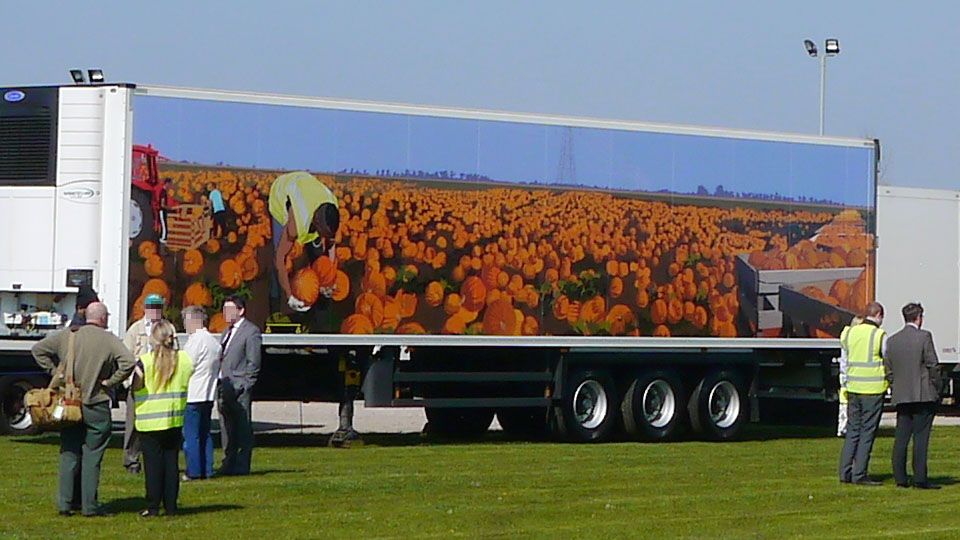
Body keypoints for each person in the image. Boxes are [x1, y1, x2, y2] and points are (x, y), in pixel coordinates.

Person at [31, 302, 136, 517]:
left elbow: (38, 350)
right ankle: (90, 505)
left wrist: (55, 373)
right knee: (92, 454)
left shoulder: (67, 336)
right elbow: (128, 362)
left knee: (69, 451)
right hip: (96, 403)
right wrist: (110, 383)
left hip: (69, 403)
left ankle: (65, 504)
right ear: (104, 318)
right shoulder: (109, 339)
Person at [132, 320, 193, 517]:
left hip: (149, 421)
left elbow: (136, 386)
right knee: (171, 464)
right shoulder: (184, 360)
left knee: (153, 467)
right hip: (174, 419)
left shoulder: (145, 361)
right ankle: (171, 506)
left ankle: (153, 506)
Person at [885, 302, 942, 489]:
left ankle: (900, 477)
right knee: (920, 438)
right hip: (923, 394)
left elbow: (889, 370)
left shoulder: (892, 340)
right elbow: (932, 364)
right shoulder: (924, 337)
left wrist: (895, 386)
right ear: (919, 318)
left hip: (902, 394)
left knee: (901, 437)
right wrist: (937, 386)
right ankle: (919, 478)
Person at [268, 171, 339, 312]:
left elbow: (331, 246)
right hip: (280, 194)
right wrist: (290, 296)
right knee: (278, 254)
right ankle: (275, 301)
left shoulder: (332, 206)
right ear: (317, 222)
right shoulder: (297, 222)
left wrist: (328, 278)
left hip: (306, 187)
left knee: (316, 253)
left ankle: (317, 302)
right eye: (322, 233)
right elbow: (280, 258)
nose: (325, 236)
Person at [838, 302, 888, 486]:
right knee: (867, 433)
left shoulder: (849, 333)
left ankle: (845, 472)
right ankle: (860, 474)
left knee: (852, 431)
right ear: (878, 315)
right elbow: (886, 357)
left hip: (853, 388)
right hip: (873, 390)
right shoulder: (878, 335)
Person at [217, 295, 261, 476]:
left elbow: (254, 363)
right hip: (224, 386)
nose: (226, 313)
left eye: (230, 309)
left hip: (239, 388)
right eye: (224, 309)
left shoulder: (251, 332)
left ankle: (242, 465)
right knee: (226, 427)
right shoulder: (226, 331)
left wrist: (244, 385)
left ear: (241, 310)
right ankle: (228, 462)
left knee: (242, 427)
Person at [123, 294, 165, 473]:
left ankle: (153, 459)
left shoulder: (167, 328)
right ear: (145, 308)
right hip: (138, 383)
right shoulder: (135, 329)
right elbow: (125, 357)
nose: (154, 310)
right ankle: (131, 460)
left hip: (159, 384)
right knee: (133, 424)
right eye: (151, 307)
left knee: (156, 424)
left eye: (158, 307)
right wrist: (128, 382)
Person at [181, 305, 222, 480]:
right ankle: (207, 469)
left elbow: (186, 365)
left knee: (191, 435)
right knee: (205, 433)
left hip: (193, 393)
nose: (184, 325)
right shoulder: (213, 341)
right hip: (208, 392)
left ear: (193, 321)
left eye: (185, 321)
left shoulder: (196, 341)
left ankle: (194, 471)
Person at [836, 315, 863, 437]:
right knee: (849, 405)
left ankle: (842, 427)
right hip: (851, 375)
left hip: (845, 375)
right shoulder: (853, 339)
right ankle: (845, 427)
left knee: (844, 404)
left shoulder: (846, 337)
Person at [158, 178, 175, 244]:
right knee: (164, 229)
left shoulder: (164, 192)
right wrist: (169, 208)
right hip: (162, 212)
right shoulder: (163, 192)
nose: (170, 185)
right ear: (167, 183)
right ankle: (162, 247)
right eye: (170, 184)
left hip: (163, 212)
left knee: (164, 228)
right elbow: (162, 204)